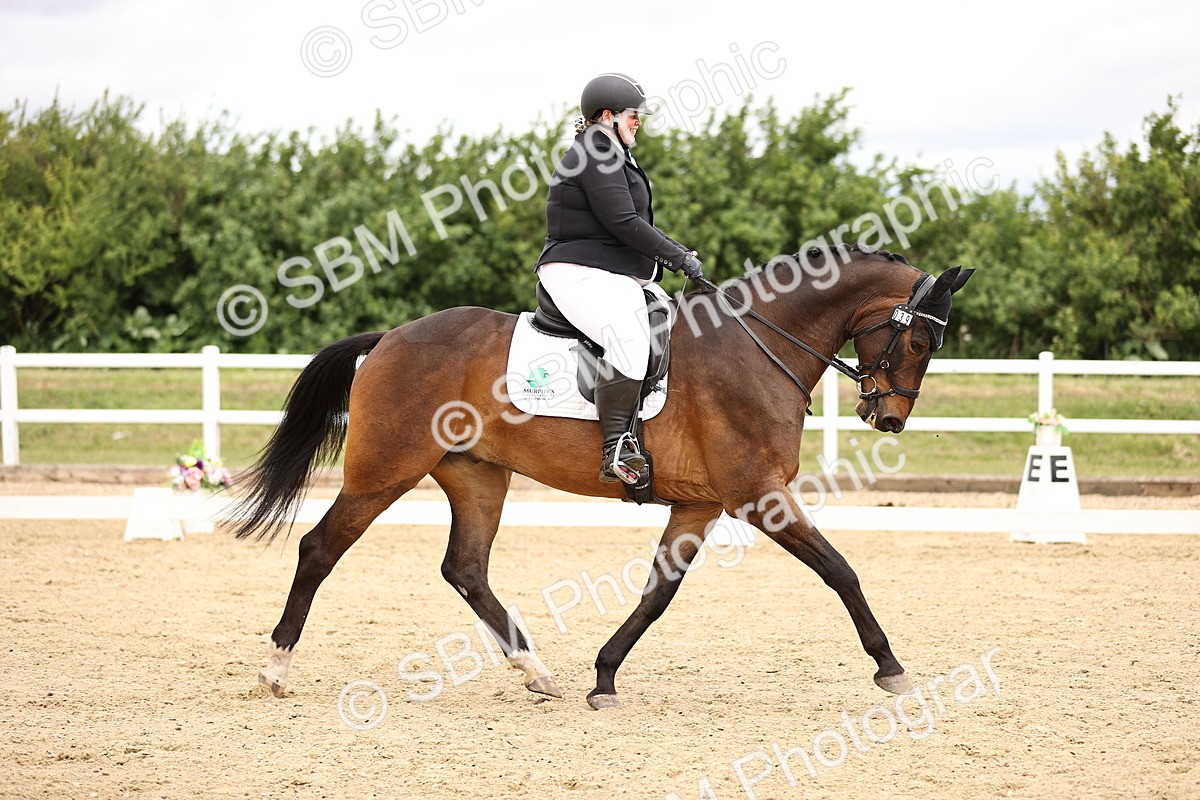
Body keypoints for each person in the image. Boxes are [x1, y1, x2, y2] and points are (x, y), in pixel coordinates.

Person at [534, 72, 705, 485]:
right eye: (633, 115)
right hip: (576, 272)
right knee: (628, 337)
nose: (638, 122)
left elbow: (628, 222)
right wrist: (676, 256)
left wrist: (676, 252)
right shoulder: (595, 150)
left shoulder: (611, 150)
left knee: (672, 321)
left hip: (608, 273)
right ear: (607, 115)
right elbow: (623, 221)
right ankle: (616, 448)